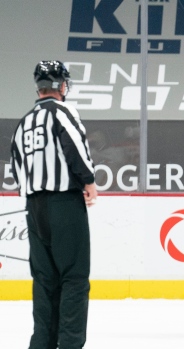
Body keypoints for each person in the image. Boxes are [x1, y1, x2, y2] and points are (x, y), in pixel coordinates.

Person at [9, 60, 97, 349]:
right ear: (61, 85)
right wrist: (88, 181)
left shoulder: (23, 123)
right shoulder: (63, 112)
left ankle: (41, 344)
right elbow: (75, 146)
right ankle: (70, 344)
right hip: (64, 204)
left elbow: (17, 166)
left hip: (34, 207)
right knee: (73, 276)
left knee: (45, 279)